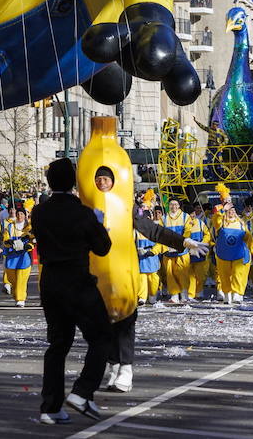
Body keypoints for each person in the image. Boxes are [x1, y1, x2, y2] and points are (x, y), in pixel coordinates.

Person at [95, 165, 207, 393]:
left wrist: (184, 242)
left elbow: (152, 230)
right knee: (103, 324)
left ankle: (126, 369)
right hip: (98, 275)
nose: (102, 183)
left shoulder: (126, 207)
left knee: (125, 320)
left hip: (124, 271)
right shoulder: (88, 205)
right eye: (98, 179)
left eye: (106, 179)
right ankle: (114, 365)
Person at [30, 158, 112, 425]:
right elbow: (102, 247)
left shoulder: (39, 211)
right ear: (73, 182)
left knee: (57, 345)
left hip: (50, 281)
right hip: (76, 280)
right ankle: (83, 391)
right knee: (101, 337)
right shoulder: (83, 213)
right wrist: (98, 223)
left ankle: (50, 406)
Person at [212, 201, 253, 306]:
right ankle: (227, 294)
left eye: (233, 210)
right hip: (223, 254)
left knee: (238, 274)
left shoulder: (241, 224)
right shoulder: (221, 223)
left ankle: (236, 294)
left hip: (239, 254)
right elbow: (216, 218)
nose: (231, 212)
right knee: (224, 275)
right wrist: (222, 209)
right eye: (229, 211)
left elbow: (249, 238)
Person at [160, 198, 192, 304]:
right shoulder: (164, 218)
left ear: (179, 206)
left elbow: (187, 231)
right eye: (171, 204)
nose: (173, 206)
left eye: (175, 204)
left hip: (181, 250)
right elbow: (160, 232)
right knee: (170, 273)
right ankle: (174, 295)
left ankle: (184, 294)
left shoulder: (185, 217)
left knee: (182, 272)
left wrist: (180, 243)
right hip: (168, 251)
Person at [2, 207, 34, 307]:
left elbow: (33, 240)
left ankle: (21, 299)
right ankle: (16, 295)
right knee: (12, 279)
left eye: (22, 214)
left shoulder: (29, 227)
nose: (20, 216)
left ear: (25, 216)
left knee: (21, 279)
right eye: (18, 214)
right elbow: (5, 238)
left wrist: (29, 246)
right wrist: (8, 242)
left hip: (24, 258)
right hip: (12, 257)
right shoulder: (11, 227)